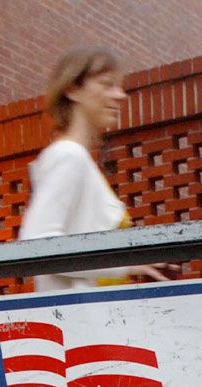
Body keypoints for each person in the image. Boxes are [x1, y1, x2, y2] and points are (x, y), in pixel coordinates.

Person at [18, 47, 170, 290]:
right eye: (107, 84)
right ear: (72, 89)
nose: (120, 95)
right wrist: (123, 265)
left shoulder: (76, 159)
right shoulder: (69, 156)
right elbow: (37, 243)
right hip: (79, 321)